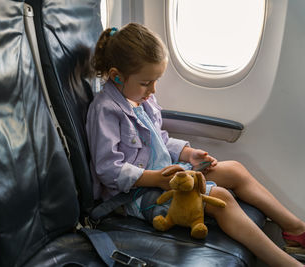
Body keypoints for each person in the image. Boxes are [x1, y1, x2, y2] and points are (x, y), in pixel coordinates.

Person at [86, 22, 305, 267]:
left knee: (234, 170)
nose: (154, 89)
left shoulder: (141, 99)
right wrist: (155, 178)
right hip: (135, 194)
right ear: (116, 75)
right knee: (220, 198)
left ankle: (295, 229)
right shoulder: (105, 111)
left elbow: (160, 140)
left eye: (156, 81)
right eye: (147, 82)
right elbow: (108, 169)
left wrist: (189, 154)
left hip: (167, 174)